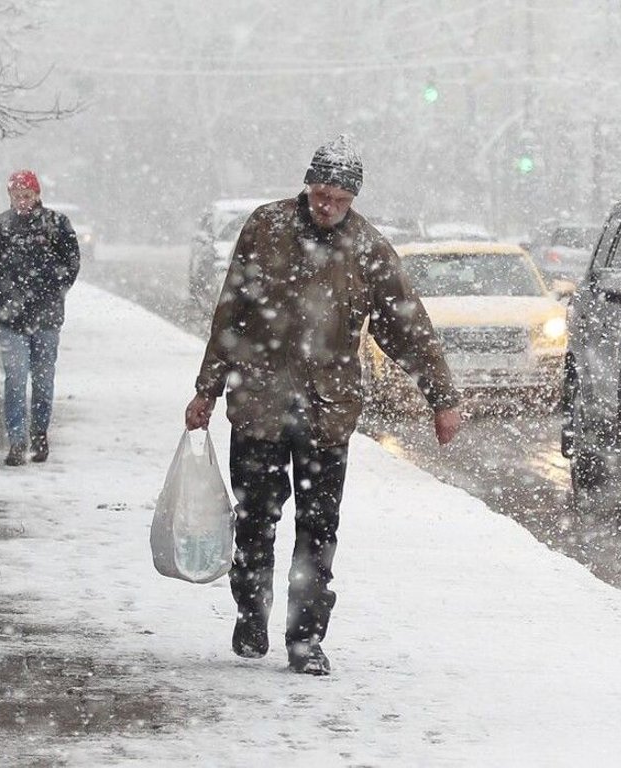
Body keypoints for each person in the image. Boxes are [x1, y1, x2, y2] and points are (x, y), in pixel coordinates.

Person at [184, 136, 463, 676]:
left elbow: (406, 327)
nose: (327, 205)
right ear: (307, 186)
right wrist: (207, 388)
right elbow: (231, 312)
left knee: (318, 530)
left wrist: (442, 398)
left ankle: (306, 639)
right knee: (255, 522)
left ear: (353, 198)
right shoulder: (264, 228)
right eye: (320, 193)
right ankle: (251, 610)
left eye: (338, 197)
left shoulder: (368, 249)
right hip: (259, 405)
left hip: (325, 413)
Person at [0, 170, 81, 466]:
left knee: (43, 378)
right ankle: (16, 439)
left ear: (37, 195)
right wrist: (8, 293)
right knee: (15, 377)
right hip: (12, 317)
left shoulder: (58, 225)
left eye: (27, 195)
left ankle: (39, 433)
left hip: (47, 316)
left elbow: (71, 263)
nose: (22, 201)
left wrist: (53, 290)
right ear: (10, 196)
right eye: (17, 196)